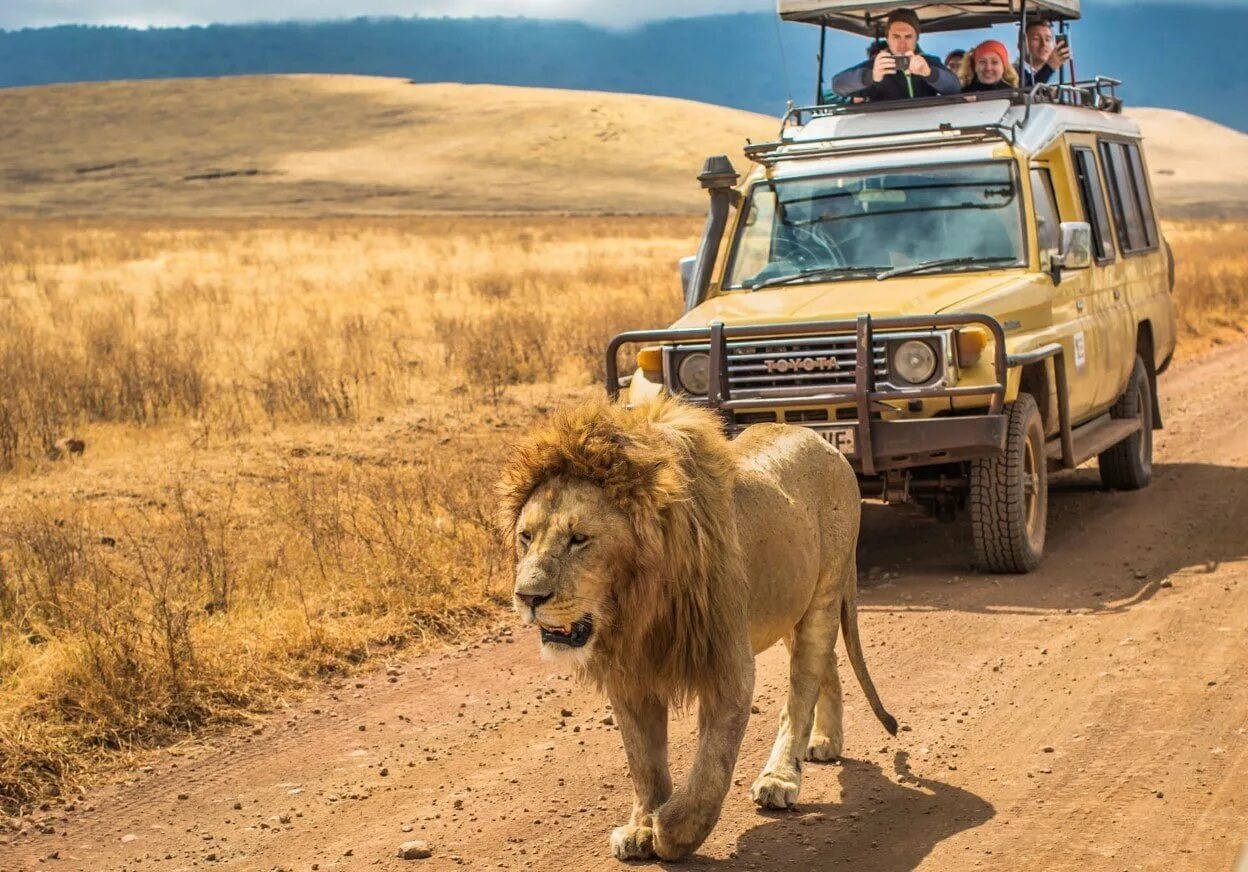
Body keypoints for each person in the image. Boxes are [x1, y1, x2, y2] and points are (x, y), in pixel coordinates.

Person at [831, 9, 960, 102]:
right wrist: (871, 76)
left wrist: (929, 73)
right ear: (887, 38)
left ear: (917, 38)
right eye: (896, 36)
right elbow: (838, 86)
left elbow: (954, 88)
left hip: (928, 131)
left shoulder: (928, 62)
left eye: (908, 36)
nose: (902, 43)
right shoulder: (876, 65)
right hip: (887, 134)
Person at [1023, 19, 1074, 87]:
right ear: (1022, 45)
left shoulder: (1055, 75)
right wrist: (1049, 67)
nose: (1044, 44)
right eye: (1036, 39)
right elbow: (1024, 93)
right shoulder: (1012, 73)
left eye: (1048, 39)